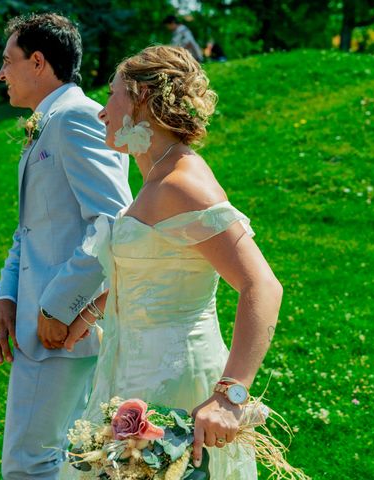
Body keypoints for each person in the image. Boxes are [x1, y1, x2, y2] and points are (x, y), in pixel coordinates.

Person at [63, 45, 283, 478]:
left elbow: (263, 286)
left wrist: (229, 396)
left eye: (111, 95)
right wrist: (88, 313)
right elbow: (152, 270)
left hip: (175, 382)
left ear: (142, 97)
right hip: (127, 374)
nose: (102, 112)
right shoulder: (155, 179)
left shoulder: (184, 183)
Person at [0, 13, 132, 480]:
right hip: (39, 317)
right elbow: (30, 227)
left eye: (8, 61)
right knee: (72, 461)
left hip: (60, 328)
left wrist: (58, 307)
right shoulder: (47, 122)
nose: (1, 73)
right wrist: (6, 295)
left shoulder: (75, 117)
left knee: (29, 465)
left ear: (38, 61)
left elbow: (112, 219)